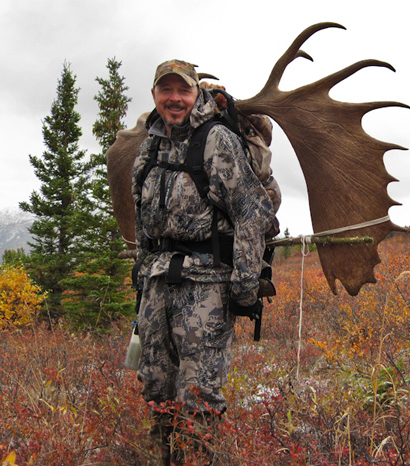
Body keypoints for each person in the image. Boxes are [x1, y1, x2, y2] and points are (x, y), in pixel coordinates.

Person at [132, 59, 279, 465]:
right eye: (166, 90)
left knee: (198, 397)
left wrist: (244, 288)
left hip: (206, 286)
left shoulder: (216, 140)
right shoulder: (151, 146)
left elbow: (252, 213)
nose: (174, 98)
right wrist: (142, 275)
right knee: (156, 389)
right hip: (158, 283)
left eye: (183, 91)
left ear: (195, 94)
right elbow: (143, 219)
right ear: (155, 95)